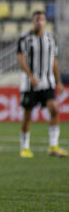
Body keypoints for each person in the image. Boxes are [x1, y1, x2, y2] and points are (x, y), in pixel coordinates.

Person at [17, 11, 66, 158]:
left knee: (55, 110)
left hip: (47, 82)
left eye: (42, 20)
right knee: (27, 114)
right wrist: (30, 76)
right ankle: (24, 148)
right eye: (37, 19)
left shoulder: (50, 38)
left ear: (45, 22)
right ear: (33, 21)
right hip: (30, 83)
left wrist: (58, 81)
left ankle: (53, 146)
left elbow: (54, 61)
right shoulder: (25, 38)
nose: (39, 22)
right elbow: (21, 59)